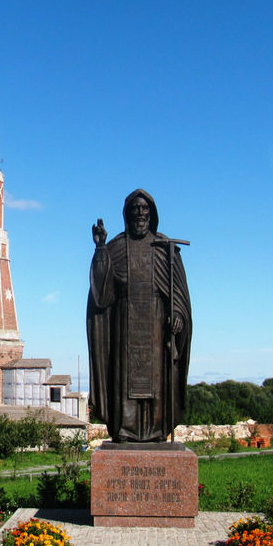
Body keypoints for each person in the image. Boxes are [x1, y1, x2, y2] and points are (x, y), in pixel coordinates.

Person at [87, 189, 191, 443]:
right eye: (135, 209)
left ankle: (157, 429)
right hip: (124, 327)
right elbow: (101, 295)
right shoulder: (116, 248)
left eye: (145, 209)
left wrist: (178, 314)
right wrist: (100, 248)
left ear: (152, 214)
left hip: (156, 328)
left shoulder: (165, 249)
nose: (140, 214)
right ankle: (125, 429)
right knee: (125, 380)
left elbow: (179, 295)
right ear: (127, 214)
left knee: (156, 380)